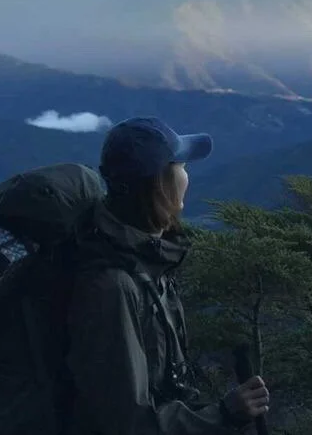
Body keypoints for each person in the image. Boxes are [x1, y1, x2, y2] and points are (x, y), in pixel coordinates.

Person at [66, 116, 270, 434]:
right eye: (182, 166)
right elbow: (125, 424)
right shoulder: (112, 285)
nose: (188, 175)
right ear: (161, 183)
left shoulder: (144, 255)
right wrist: (225, 414)